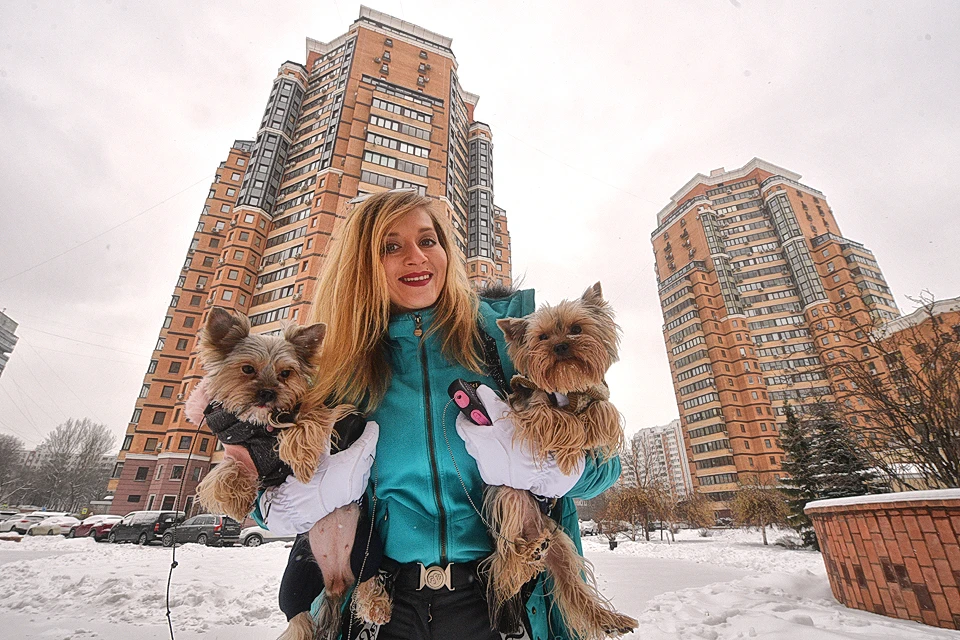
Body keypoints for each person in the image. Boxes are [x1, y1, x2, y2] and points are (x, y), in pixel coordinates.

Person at [246, 189, 622, 640]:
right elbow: (259, 482)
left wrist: (559, 469)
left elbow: (606, 467)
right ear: (363, 263)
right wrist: (285, 503)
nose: (416, 257)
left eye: (428, 240)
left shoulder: (512, 342)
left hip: (504, 603)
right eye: (391, 246)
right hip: (381, 608)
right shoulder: (331, 365)